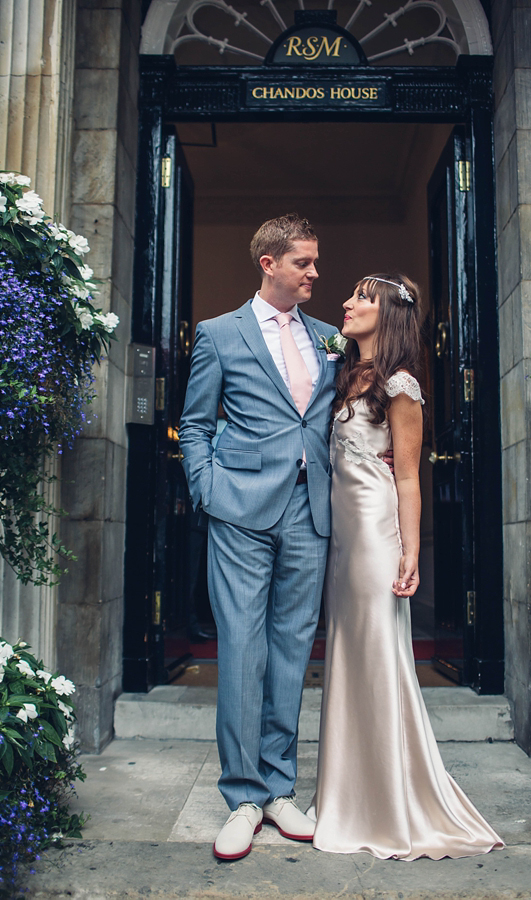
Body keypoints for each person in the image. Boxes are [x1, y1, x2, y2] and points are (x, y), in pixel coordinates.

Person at [311, 274, 504, 860]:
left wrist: (410, 550)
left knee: (375, 655)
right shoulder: (346, 375)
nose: (346, 303)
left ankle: (388, 803)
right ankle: (346, 795)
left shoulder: (401, 385)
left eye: (361, 298)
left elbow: (408, 476)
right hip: (339, 535)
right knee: (345, 653)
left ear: (389, 314)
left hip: (374, 533)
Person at [179, 214, 340, 860]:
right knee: (242, 648)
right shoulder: (219, 335)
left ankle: (278, 788)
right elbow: (194, 424)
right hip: (240, 510)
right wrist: (207, 490)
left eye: (315, 261)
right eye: (304, 262)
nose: (315, 273)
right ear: (268, 263)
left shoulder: (331, 338)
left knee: (293, 650)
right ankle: (242, 797)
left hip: (310, 512)